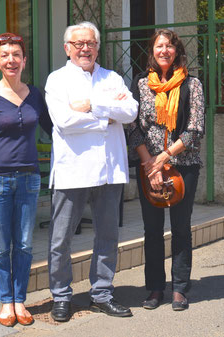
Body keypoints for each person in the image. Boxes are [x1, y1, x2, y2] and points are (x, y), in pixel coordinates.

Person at [45, 21, 139, 322]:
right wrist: (107, 116)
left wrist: (91, 105)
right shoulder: (57, 80)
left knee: (108, 235)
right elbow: (64, 122)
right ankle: (61, 296)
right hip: (72, 171)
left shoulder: (111, 77)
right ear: (67, 48)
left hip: (109, 170)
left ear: (97, 47)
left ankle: (102, 294)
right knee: (61, 239)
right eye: (78, 44)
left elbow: (131, 112)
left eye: (90, 43)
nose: (85, 48)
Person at [0, 32, 52, 327]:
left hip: (29, 179)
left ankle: (19, 300)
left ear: (24, 60)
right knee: (0, 245)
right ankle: (5, 302)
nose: (11, 60)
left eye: (16, 54)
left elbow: (56, 129)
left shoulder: (36, 95)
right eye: (5, 55)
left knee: (25, 244)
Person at [128, 29, 205, 311]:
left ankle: (180, 289)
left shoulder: (192, 84)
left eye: (170, 46)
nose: (165, 50)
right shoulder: (139, 83)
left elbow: (195, 130)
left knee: (181, 227)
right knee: (152, 229)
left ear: (177, 51)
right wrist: (150, 162)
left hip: (183, 166)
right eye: (159, 46)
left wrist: (163, 158)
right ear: (152, 50)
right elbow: (132, 126)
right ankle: (155, 288)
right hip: (148, 166)